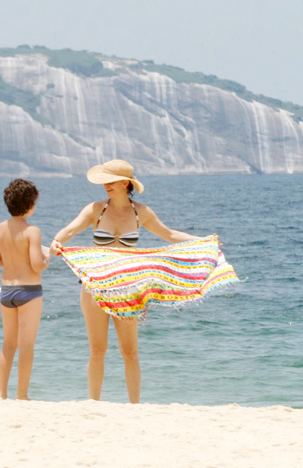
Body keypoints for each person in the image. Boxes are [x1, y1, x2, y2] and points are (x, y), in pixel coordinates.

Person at [49, 159, 199, 403]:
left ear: (125, 183)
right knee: (97, 350)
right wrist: (57, 242)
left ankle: (134, 406)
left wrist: (200, 241)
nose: (105, 185)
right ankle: (93, 403)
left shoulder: (142, 212)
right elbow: (68, 231)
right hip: (95, 287)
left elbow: (170, 234)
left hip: (128, 290)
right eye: (104, 181)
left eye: (111, 181)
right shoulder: (96, 209)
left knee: (130, 352)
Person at [0, 179, 49, 400]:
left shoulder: (0, 228)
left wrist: (14, 258)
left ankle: (1, 393)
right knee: (27, 345)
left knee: (8, 344)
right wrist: (47, 259)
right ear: (30, 204)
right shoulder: (32, 231)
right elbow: (36, 265)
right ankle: (22, 395)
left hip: (7, 291)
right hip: (29, 291)